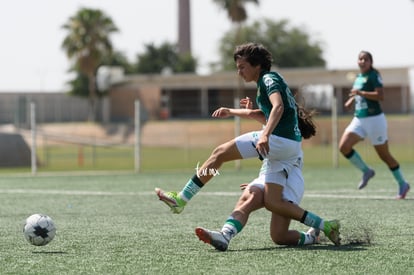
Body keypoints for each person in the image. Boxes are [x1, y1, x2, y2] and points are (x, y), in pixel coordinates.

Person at [155, 42, 340, 246]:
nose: (239, 72)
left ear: (257, 65)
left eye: (242, 67)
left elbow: (278, 107)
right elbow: (263, 113)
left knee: (220, 153)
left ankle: (181, 199)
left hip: (280, 144)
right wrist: (232, 111)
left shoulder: (268, 79)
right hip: (283, 153)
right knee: (277, 231)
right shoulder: (266, 83)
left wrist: (265, 135)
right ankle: (227, 236)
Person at [339, 51, 410, 199]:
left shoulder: (373, 76)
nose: (362, 61)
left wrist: (361, 92)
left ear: (371, 62)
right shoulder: (359, 77)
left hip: (375, 119)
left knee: (384, 155)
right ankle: (366, 171)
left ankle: (403, 183)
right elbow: (356, 93)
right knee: (344, 146)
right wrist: (351, 100)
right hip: (359, 118)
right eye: (360, 59)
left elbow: (380, 96)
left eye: (365, 59)